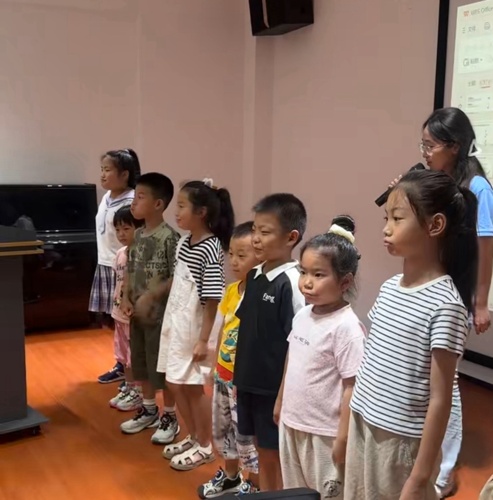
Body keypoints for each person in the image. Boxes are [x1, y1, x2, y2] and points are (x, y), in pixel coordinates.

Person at [345, 169, 478, 500]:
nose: (386, 228)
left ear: (435, 225)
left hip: (399, 442)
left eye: (397, 218)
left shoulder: (446, 304)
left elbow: (441, 399)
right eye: (386, 218)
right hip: (364, 421)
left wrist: (419, 478)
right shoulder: (391, 287)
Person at [420, 107, 493, 498]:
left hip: (456, 296)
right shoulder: (437, 181)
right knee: (430, 379)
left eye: (430, 145)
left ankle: (445, 471)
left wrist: (480, 303)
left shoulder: (478, 187)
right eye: (422, 145)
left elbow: (486, 248)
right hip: (430, 289)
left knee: (444, 383)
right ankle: (428, 457)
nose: (424, 152)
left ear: (454, 146)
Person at [275, 215, 366, 499]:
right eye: (304, 272)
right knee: (296, 492)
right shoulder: (303, 315)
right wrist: (280, 400)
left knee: (325, 494)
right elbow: (291, 358)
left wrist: (344, 436)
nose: (307, 283)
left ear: (345, 281)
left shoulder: (347, 327)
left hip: (325, 433)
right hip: (292, 422)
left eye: (318, 275)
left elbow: (352, 386)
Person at [157, 178, 235, 471]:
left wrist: (204, 340)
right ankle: (193, 436)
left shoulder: (210, 247)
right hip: (177, 321)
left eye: (182, 206)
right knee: (173, 381)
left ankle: (205, 446)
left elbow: (213, 298)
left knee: (190, 386)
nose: (176, 212)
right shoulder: (183, 242)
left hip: (196, 325)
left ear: (201, 212)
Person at [233, 193, 307, 492]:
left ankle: (274, 494)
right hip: (248, 382)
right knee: (259, 449)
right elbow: (246, 329)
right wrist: (237, 377)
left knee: (273, 454)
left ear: (291, 237)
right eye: (255, 230)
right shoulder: (253, 275)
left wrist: (283, 394)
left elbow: (298, 342)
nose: (256, 239)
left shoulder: (292, 281)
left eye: (265, 232)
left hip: (273, 389)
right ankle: (264, 491)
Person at [198, 221, 260, 499]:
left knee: (248, 435)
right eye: (231, 254)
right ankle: (231, 476)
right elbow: (223, 328)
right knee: (225, 431)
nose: (233, 261)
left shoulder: (261, 295)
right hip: (224, 374)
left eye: (241, 255)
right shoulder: (233, 290)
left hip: (244, 381)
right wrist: (214, 366)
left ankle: (254, 483)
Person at [119, 173, 181, 448]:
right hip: (138, 316)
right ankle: (148, 409)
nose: (134, 203)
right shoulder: (137, 236)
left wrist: (152, 296)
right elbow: (130, 269)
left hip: (160, 317)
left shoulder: (170, 238)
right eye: (134, 197)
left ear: (158, 204)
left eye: (140, 197)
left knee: (162, 366)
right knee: (140, 362)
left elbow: (176, 276)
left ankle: (170, 415)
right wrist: (126, 298)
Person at [93, 149, 140, 384]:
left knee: (127, 322)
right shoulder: (106, 197)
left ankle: (132, 367)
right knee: (117, 322)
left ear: (124, 174)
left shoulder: (132, 201)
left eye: (107, 170)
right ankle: (123, 364)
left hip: (124, 267)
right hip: (106, 263)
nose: (102, 175)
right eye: (101, 169)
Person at [108, 206, 145, 411]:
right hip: (119, 314)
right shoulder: (120, 254)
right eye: (118, 230)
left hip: (134, 317)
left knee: (134, 357)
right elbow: (118, 281)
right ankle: (130, 387)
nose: (121, 234)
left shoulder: (142, 255)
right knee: (123, 355)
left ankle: (139, 392)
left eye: (126, 229)